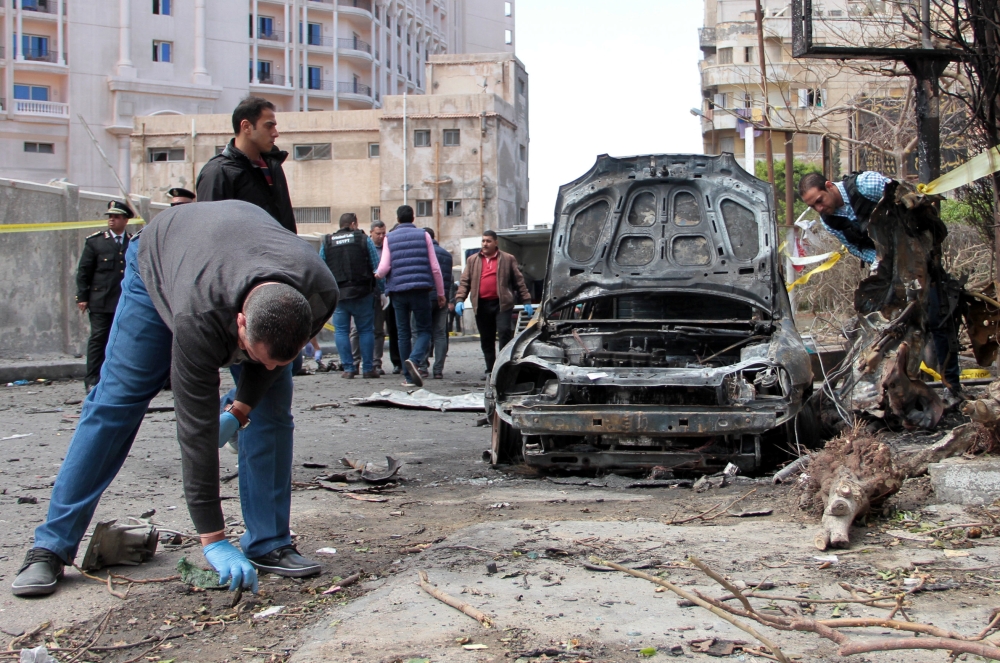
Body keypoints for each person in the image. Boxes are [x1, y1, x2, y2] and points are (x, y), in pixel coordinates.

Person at [11, 201, 338, 598]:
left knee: (272, 409)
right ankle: (51, 545)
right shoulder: (199, 317)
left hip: (232, 254)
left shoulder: (319, 292)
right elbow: (196, 430)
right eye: (254, 354)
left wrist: (240, 409)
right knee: (117, 401)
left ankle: (269, 542)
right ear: (240, 322)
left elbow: (269, 363)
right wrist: (213, 537)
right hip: (162, 258)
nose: (264, 366)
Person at [799, 171, 962, 393]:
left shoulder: (866, 184)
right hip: (889, 272)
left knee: (938, 318)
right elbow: (855, 247)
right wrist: (879, 261)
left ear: (829, 186)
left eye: (820, 200)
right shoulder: (830, 221)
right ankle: (893, 389)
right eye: (813, 206)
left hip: (920, 259)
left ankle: (952, 388)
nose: (819, 208)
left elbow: (907, 200)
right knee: (890, 326)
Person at [195, 96, 296, 233]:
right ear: (246, 127)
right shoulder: (218, 172)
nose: (275, 133)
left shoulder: (273, 166)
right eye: (268, 126)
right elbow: (209, 231)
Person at [374, 205, 446, 387]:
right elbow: (435, 268)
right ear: (413, 218)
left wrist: (377, 275)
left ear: (398, 219)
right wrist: (441, 293)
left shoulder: (389, 238)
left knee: (402, 333)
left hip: (398, 292)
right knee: (424, 330)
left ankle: (408, 377)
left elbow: (384, 268)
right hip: (420, 290)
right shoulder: (424, 235)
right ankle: (414, 359)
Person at [455, 230, 534, 377]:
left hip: (502, 304)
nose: (485, 244)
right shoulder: (473, 260)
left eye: (488, 241)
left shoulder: (507, 259)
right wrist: (460, 299)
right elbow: (465, 282)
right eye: (483, 241)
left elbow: (519, 281)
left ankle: (503, 367)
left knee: (504, 332)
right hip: (481, 305)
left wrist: (526, 300)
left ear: (496, 242)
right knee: (487, 338)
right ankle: (490, 369)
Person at [76, 200, 134, 393]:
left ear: (125, 220)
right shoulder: (96, 242)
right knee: (98, 338)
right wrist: (82, 297)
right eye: (110, 217)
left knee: (122, 340)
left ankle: (118, 379)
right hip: (101, 300)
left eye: (116, 217)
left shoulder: (132, 242)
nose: (112, 220)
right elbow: (84, 271)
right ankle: (92, 379)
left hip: (124, 301)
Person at [320, 213, 382, 379]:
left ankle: (348, 368)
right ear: (353, 224)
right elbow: (376, 266)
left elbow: (321, 268)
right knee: (366, 330)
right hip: (363, 292)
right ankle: (368, 369)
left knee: (341, 331)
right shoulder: (363, 239)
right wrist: (382, 290)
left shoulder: (327, 242)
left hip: (340, 294)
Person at [351, 220, 392, 375]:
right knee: (356, 329)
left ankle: (376, 363)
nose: (381, 236)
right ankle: (355, 362)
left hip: (380, 293)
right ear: (371, 233)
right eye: (378, 233)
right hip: (364, 292)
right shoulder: (364, 246)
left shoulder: (387, 248)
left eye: (383, 233)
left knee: (378, 330)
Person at [421, 227, 454, 379]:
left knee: (422, 331)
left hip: (425, 297)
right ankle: (438, 370)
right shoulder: (446, 255)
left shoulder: (423, 253)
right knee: (440, 334)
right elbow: (450, 279)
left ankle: (422, 367)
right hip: (442, 298)